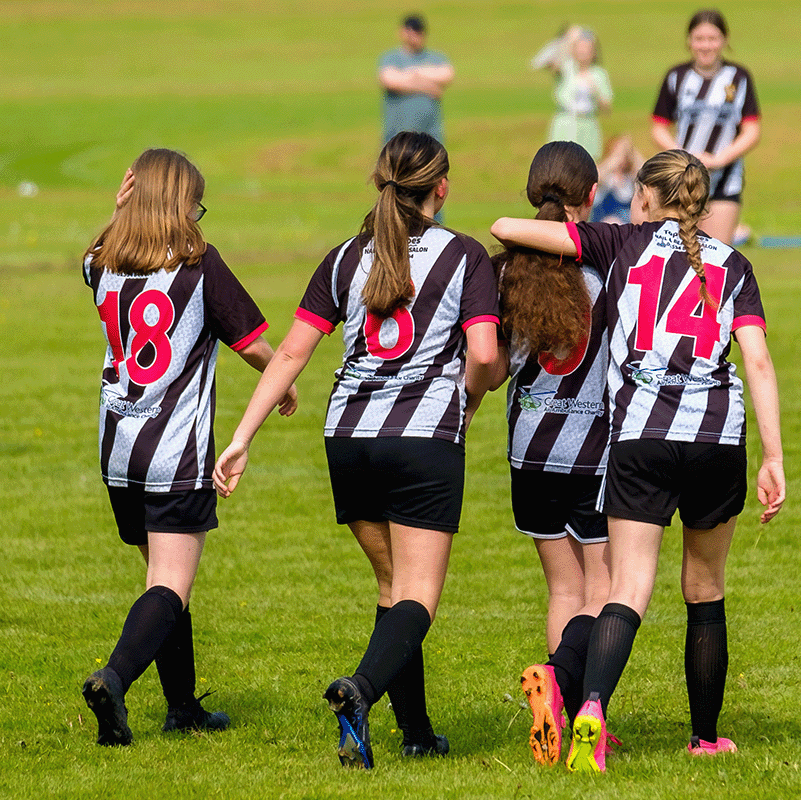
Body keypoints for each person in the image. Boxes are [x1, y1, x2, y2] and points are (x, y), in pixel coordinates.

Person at [491, 149, 786, 773]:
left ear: (646, 197)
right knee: (704, 590)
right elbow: (756, 359)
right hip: (715, 441)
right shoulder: (734, 264)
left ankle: (592, 709)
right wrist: (773, 456)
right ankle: (705, 737)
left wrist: (573, 230)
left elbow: (506, 229)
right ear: (703, 204)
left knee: (625, 588)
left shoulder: (622, 244)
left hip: (639, 442)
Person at [213, 132, 501, 769]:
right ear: (442, 187)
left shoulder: (343, 258)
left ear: (380, 184)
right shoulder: (464, 256)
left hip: (347, 439)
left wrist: (240, 438)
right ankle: (359, 692)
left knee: (392, 589)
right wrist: (471, 397)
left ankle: (417, 733)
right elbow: (484, 353)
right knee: (418, 597)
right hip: (422, 438)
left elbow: (291, 352)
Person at [80, 149, 297, 746]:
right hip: (174, 452)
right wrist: (285, 383)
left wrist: (116, 213)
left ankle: (183, 709)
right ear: (182, 205)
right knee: (170, 584)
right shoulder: (200, 266)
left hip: (119, 452)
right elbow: (255, 344)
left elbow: (94, 252)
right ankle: (114, 681)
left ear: (132, 196)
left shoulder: (103, 264)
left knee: (161, 581)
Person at [492, 141, 613, 766]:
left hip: (527, 454)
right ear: (590, 197)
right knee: (605, 587)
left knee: (562, 588)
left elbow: (492, 362)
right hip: (594, 455)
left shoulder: (509, 272)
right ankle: (577, 695)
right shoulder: (606, 267)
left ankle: (557, 717)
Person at [651, 9, 760, 246]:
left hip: (725, 180)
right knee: (680, 256)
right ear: (689, 41)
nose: (705, 46)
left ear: (725, 40)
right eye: (699, 39)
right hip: (683, 180)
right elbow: (658, 127)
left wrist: (720, 159)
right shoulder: (676, 77)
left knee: (717, 256)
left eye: (712, 39)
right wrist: (684, 157)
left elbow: (752, 130)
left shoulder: (739, 78)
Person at [533, 26, 613, 161]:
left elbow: (607, 106)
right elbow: (539, 62)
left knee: (586, 165)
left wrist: (595, 91)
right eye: (580, 47)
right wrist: (565, 40)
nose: (583, 51)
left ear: (594, 52)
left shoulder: (598, 74)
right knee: (560, 162)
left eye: (587, 48)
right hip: (565, 122)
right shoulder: (566, 68)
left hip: (588, 124)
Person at [379, 14, 455, 144]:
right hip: (397, 136)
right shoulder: (390, 57)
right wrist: (429, 87)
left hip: (430, 136)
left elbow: (447, 74)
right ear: (401, 32)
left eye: (417, 30)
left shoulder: (435, 57)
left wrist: (412, 74)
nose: (413, 34)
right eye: (409, 30)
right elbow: (389, 81)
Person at [591, 134, 645, 225]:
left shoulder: (631, 179)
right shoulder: (605, 177)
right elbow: (592, 177)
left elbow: (649, 174)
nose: (622, 157)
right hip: (603, 230)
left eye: (625, 153)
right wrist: (614, 158)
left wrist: (633, 153)